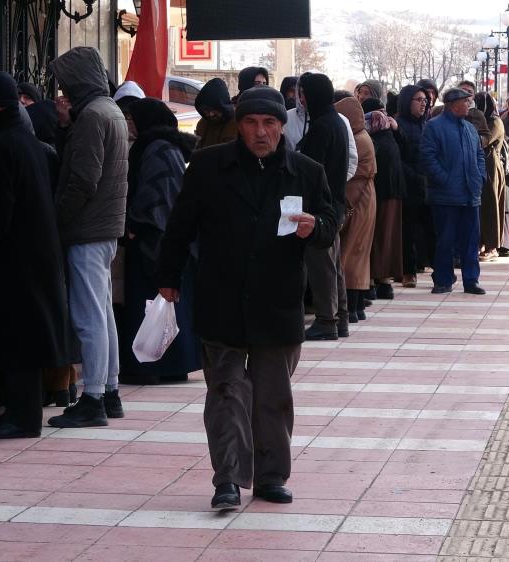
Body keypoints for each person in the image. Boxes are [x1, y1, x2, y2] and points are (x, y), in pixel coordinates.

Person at [155, 86, 338, 510]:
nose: (261, 132)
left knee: (273, 395)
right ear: (239, 126)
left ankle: (272, 475)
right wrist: (167, 276)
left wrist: (318, 227)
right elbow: (180, 225)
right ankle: (228, 479)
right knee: (226, 393)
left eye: (270, 123)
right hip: (222, 296)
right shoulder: (207, 166)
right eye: (252, 123)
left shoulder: (307, 172)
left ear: (281, 126)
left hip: (278, 301)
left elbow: (332, 220)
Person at [0, 72, 71, 438]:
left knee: (18, 341)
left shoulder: (3, 144)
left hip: (14, 262)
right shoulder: (22, 138)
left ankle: (21, 418)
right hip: (32, 257)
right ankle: (17, 412)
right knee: (23, 338)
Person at [46, 47, 128, 426]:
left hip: (88, 229)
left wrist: (58, 218)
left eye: (65, 81)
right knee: (103, 313)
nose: (62, 90)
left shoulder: (93, 116)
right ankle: (108, 391)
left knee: (89, 316)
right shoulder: (109, 110)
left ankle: (94, 397)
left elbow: (82, 179)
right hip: (105, 227)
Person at [118, 98, 202, 385]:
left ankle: (150, 365)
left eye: (133, 119)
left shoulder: (156, 149)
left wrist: (134, 225)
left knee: (153, 304)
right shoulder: (167, 147)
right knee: (166, 306)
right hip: (170, 242)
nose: (129, 124)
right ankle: (172, 365)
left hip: (154, 242)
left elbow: (156, 195)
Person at [295, 73, 350, 341]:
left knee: (322, 265)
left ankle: (327, 320)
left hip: (321, 208)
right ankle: (340, 318)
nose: (300, 99)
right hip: (335, 204)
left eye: (304, 93)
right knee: (334, 264)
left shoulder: (322, 126)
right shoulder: (335, 122)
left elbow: (310, 169)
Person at [419, 88, 486, 296]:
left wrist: (480, 177)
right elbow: (427, 158)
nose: (469, 105)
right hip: (445, 196)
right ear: (453, 104)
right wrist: (445, 179)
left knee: (471, 240)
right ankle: (443, 279)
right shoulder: (434, 127)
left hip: (470, 194)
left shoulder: (469, 128)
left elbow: (479, 155)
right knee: (445, 239)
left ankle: (471, 280)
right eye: (465, 102)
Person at [335, 95, 377, 323]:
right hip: (364, 200)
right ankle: (356, 307)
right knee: (359, 254)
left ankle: (350, 308)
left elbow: (354, 174)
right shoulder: (363, 136)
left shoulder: (358, 140)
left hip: (356, 200)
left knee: (349, 254)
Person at [363, 98, 404, 300]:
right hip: (392, 191)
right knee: (387, 236)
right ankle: (383, 280)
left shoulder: (367, 135)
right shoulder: (392, 133)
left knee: (374, 235)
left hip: (376, 192)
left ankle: (373, 280)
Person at [395, 84, 433, 288]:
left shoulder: (428, 124)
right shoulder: (398, 125)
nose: (423, 104)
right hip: (407, 185)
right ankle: (408, 271)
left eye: (425, 101)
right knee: (407, 230)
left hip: (428, 184)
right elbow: (397, 158)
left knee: (431, 229)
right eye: (418, 100)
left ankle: (439, 269)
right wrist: (414, 175)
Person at [474, 92, 507, 261]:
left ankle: (492, 245)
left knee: (491, 205)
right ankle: (480, 241)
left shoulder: (495, 121)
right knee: (480, 207)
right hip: (479, 165)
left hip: (491, 167)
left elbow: (484, 141)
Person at [194, 78, 237, 148]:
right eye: (206, 110)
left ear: (223, 106)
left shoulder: (237, 124)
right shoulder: (202, 124)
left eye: (215, 109)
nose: (211, 114)